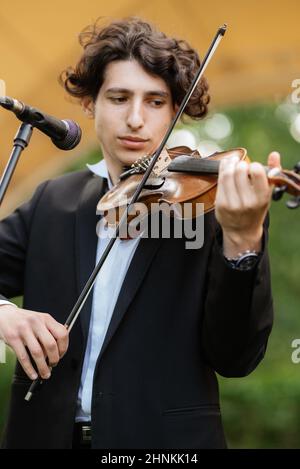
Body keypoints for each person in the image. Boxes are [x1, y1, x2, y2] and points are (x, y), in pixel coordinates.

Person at [0, 17, 279, 449]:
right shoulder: (54, 201)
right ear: (91, 104)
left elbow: (236, 358)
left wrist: (241, 240)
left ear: (174, 111)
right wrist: (5, 314)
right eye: (118, 98)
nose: (135, 119)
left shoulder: (211, 209)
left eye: (154, 101)